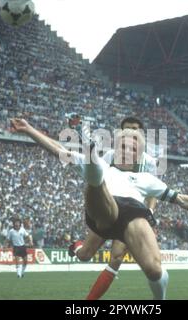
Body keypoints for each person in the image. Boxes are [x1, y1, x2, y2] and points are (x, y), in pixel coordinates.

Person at [10, 117, 188, 300]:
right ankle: (90, 166)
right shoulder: (105, 165)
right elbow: (58, 149)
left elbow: (184, 200)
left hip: (133, 215)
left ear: (138, 154)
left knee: (153, 270)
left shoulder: (146, 179)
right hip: (104, 208)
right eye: (122, 145)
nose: (126, 150)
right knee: (86, 242)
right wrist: (30, 130)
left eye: (131, 148)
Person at [68, 116, 158, 300]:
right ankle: (77, 246)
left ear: (141, 133)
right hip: (110, 209)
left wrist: (150, 213)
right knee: (85, 254)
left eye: (135, 129)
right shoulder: (110, 155)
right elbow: (98, 177)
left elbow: (153, 192)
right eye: (127, 129)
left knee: (116, 257)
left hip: (133, 215)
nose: (132, 132)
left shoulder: (149, 162)